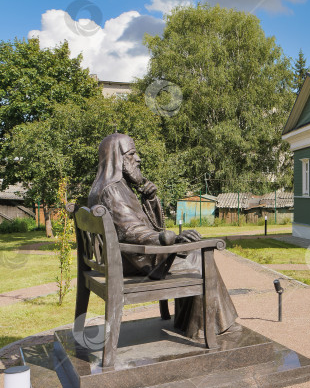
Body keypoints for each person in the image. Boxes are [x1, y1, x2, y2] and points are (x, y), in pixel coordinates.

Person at [87, 133, 239, 339]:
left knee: (192, 252)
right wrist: (168, 239)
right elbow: (132, 232)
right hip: (130, 261)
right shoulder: (112, 191)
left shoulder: (112, 188)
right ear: (117, 158)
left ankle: (191, 323)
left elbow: (139, 226)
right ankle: (205, 328)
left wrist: (149, 198)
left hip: (123, 258)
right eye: (132, 154)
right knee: (201, 259)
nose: (138, 159)